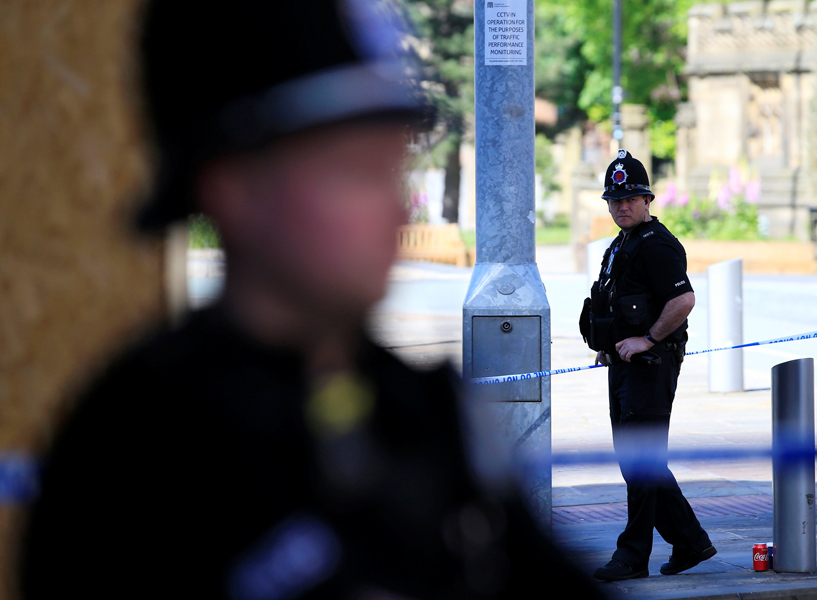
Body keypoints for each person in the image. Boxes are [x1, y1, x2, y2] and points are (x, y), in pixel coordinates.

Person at [20, 2, 606, 599]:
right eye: (355, 171)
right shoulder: (133, 450)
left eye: (392, 168)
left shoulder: (424, 410)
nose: (396, 209)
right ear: (235, 190)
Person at [580, 149, 715, 582]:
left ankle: (632, 556)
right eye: (615, 200)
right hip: (626, 366)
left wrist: (648, 339)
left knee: (641, 462)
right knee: (637, 461)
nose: (622, 206)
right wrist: (612, 344)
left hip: (652, 365)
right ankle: (691, 542)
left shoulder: (657, 245)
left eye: (630, 199)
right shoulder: (620, 245)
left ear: (647, 200)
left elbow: (684, 299)